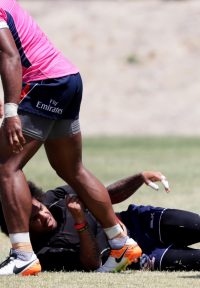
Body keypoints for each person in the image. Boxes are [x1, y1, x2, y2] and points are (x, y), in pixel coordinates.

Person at [0, 0, 147, 275]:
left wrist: (11, 111)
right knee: (71, 169)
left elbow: (10, 57)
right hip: (66, 78)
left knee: (6, 166)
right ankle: (120, 242)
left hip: (45, 83)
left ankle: (22, 255)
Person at [0, 171, 200, 273]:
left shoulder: (57, 198)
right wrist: (82, 224)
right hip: (133, 258)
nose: (42, 213)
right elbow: (88, 265)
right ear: (19, 225)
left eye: (38, 206)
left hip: (139, 222)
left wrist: (138, 178)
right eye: (33, 217)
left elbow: (105, 195)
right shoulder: (39, 251)